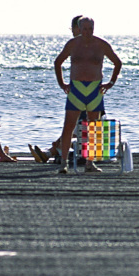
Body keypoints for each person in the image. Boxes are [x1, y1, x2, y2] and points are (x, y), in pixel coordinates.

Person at [53, 16, 122, 174]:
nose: (87, 32)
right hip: (76, 88)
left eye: (90, 29)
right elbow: (58, 62)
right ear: (79, 29)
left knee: (93, 127)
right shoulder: (72, 44)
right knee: (69, 126)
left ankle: (90, 163)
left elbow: (117, 63)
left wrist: (110, 83)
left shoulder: (101, 44)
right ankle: (64, 163)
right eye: (84, 29)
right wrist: (62, 84)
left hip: (94, 89)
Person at [28, 14, 92, 164]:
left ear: (78, 28)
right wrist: (63, 84)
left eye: (73, 29)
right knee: (74, 126)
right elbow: (59, 63)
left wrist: (63, 84)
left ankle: (52, 152)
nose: (73, 32)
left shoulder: (85, 43)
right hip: (81, 91)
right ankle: (52, 152)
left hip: (87, 93)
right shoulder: (77, 44)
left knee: (77, 126)